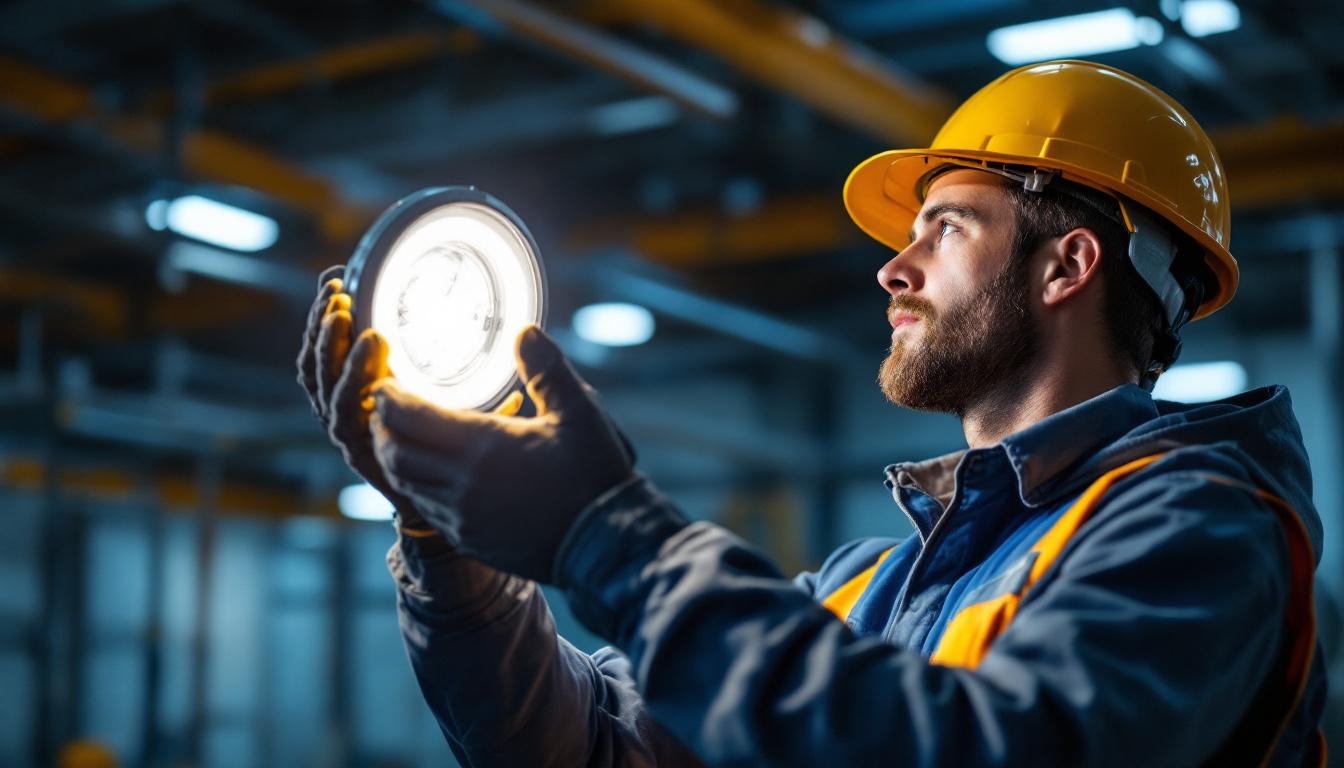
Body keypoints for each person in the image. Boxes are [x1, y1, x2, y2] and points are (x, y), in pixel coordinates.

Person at [297, 60, 1327, 766]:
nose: (894, 268)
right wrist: (444, 536)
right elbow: (594, 747)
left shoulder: (1199, 531)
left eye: (946, 228)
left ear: (1068, 263)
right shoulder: (868, 591)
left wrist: (610, 532)